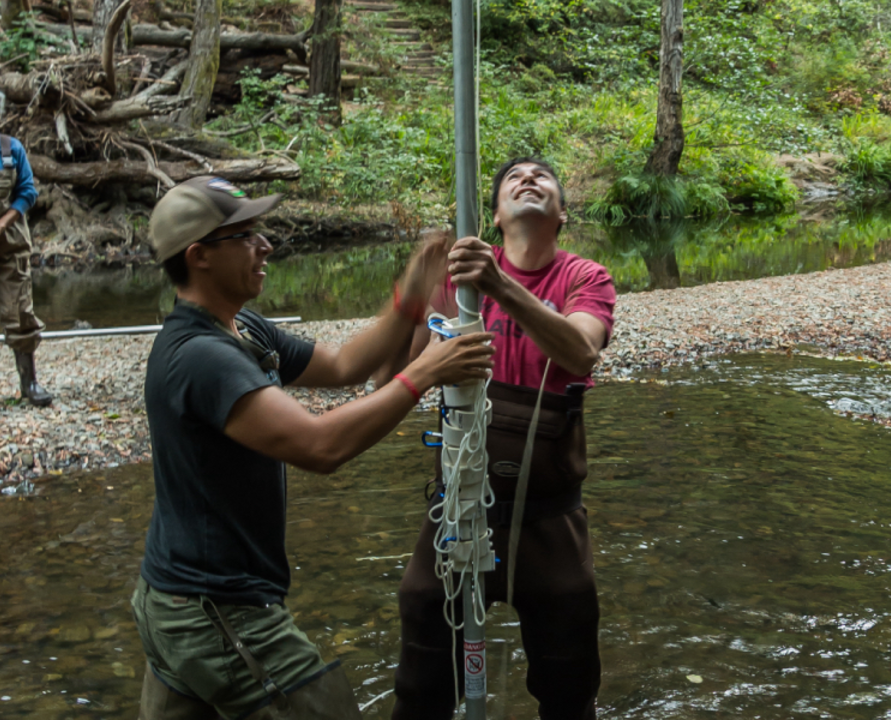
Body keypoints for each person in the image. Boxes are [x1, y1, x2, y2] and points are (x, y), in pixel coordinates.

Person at [131, 176, 494, 720]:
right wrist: (426, 371)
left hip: (173, 603)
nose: (267, 245)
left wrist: (413, 292)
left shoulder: (242, 329)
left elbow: (344, 366)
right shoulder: (200, 357)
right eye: (246, 235)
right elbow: (320, 446)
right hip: (217, 615)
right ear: (199, 256)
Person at [385, 157, 616, 720]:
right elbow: (393, 375)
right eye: (514, 178)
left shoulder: (585, 278)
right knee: (421, 658)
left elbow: (581, 351)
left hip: (550, 516)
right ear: (493, 214)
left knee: (570, 683)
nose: (528, 179)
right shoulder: (457, 292)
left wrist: (498, 285)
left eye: (542, 177)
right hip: (457, 510)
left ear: (562, 213)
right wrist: (413, 295)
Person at [0, 133, 51, 406]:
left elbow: (27, 192)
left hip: (11, 247)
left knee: (20, 313)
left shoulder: (12, 149)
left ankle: (29, 384)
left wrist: (3, 223)